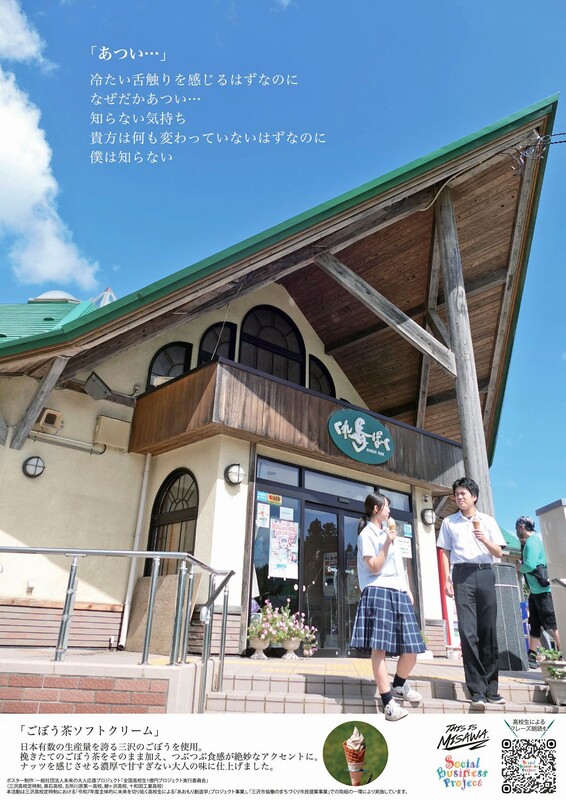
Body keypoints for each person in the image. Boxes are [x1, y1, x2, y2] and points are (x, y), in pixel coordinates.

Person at [350, 492, 425, 721]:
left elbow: (399, 565)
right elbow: (374, 567)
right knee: (380, 649)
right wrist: (387, 542)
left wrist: (407, 589)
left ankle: (399, 684)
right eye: (386, 507)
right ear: (376, 509)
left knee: (412, 647)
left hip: (397, 590)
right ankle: (388, 703)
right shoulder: (366, 535)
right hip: (377, 590)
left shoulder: (388, 532)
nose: (390, 511)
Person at [436, 477, 507, 707]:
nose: (459, 497)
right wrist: (447, 579)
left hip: (485, 573)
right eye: (457, 494)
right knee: (468, 633)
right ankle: (476, 690)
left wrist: (483, 538)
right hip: (461, 575)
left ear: (474, 497)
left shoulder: (488, 521)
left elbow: (498, 553)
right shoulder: (449, 522)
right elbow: (445, 551)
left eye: (463, 493)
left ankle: (491, 689)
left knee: (488, 630)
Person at [515, 515, 561, 668]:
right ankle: (532, 655)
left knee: (551, 623)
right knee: (534, 623)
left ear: (522, 527)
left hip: (543, 591)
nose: (517, 531)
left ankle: (563, 652)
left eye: (517, 528)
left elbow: (530, 565)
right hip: (535, 591)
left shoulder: (532, 542)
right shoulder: (531, 541)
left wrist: (519, 567)